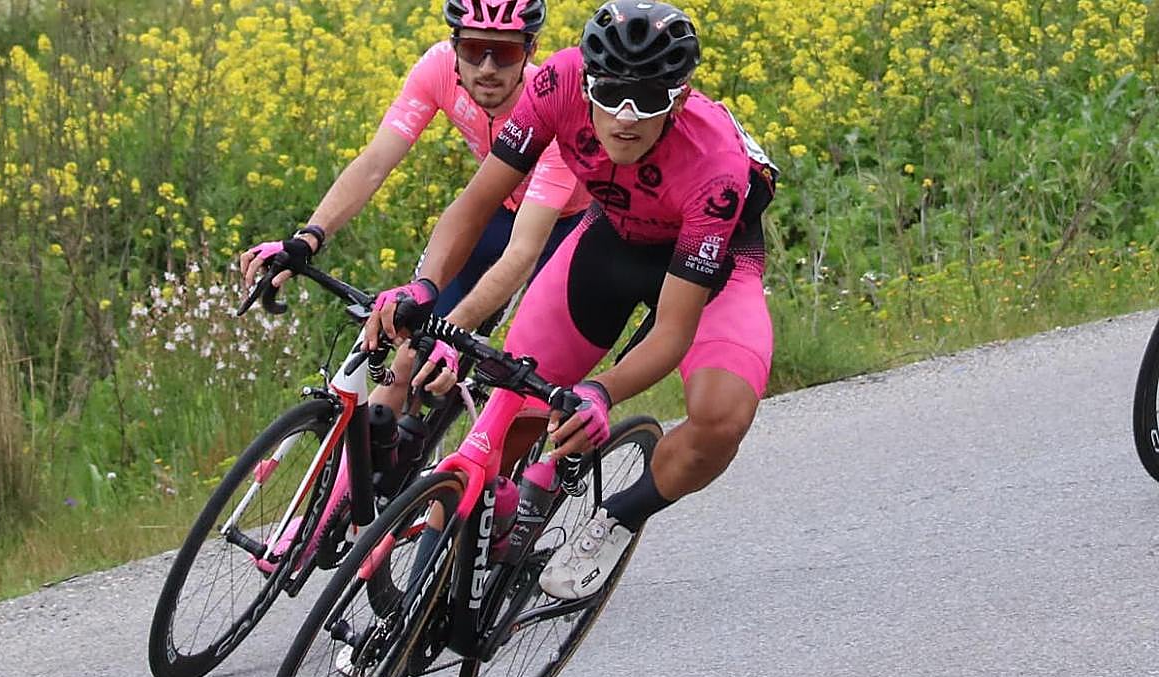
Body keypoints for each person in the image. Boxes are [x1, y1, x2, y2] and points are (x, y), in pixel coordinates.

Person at [365, 0, 779, 600]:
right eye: (611, 94)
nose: (627, 117)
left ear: (681, 99)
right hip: (611, 240)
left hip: (712, 267)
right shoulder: (556, 84)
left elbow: (672, 328)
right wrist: (423, 289)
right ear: (586, 82)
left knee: (722, 419)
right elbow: (477, 203)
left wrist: (601, 391)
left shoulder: (714, 165)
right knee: (511, 403)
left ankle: (618, 517)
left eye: (650, 99)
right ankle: (458, 556)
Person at [240, 0, 589, 387]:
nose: (487, 68)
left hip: (564, 225)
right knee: (411, 339)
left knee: (535, 373)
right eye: (473, 50)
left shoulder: (547, 108)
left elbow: (524, 252)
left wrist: (456, 329)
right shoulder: (438, 68)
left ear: (530, 50)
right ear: (454, 44)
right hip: (497, 209)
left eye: (505, 54)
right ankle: (389, 441)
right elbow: (375, 162)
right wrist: (310, 236)